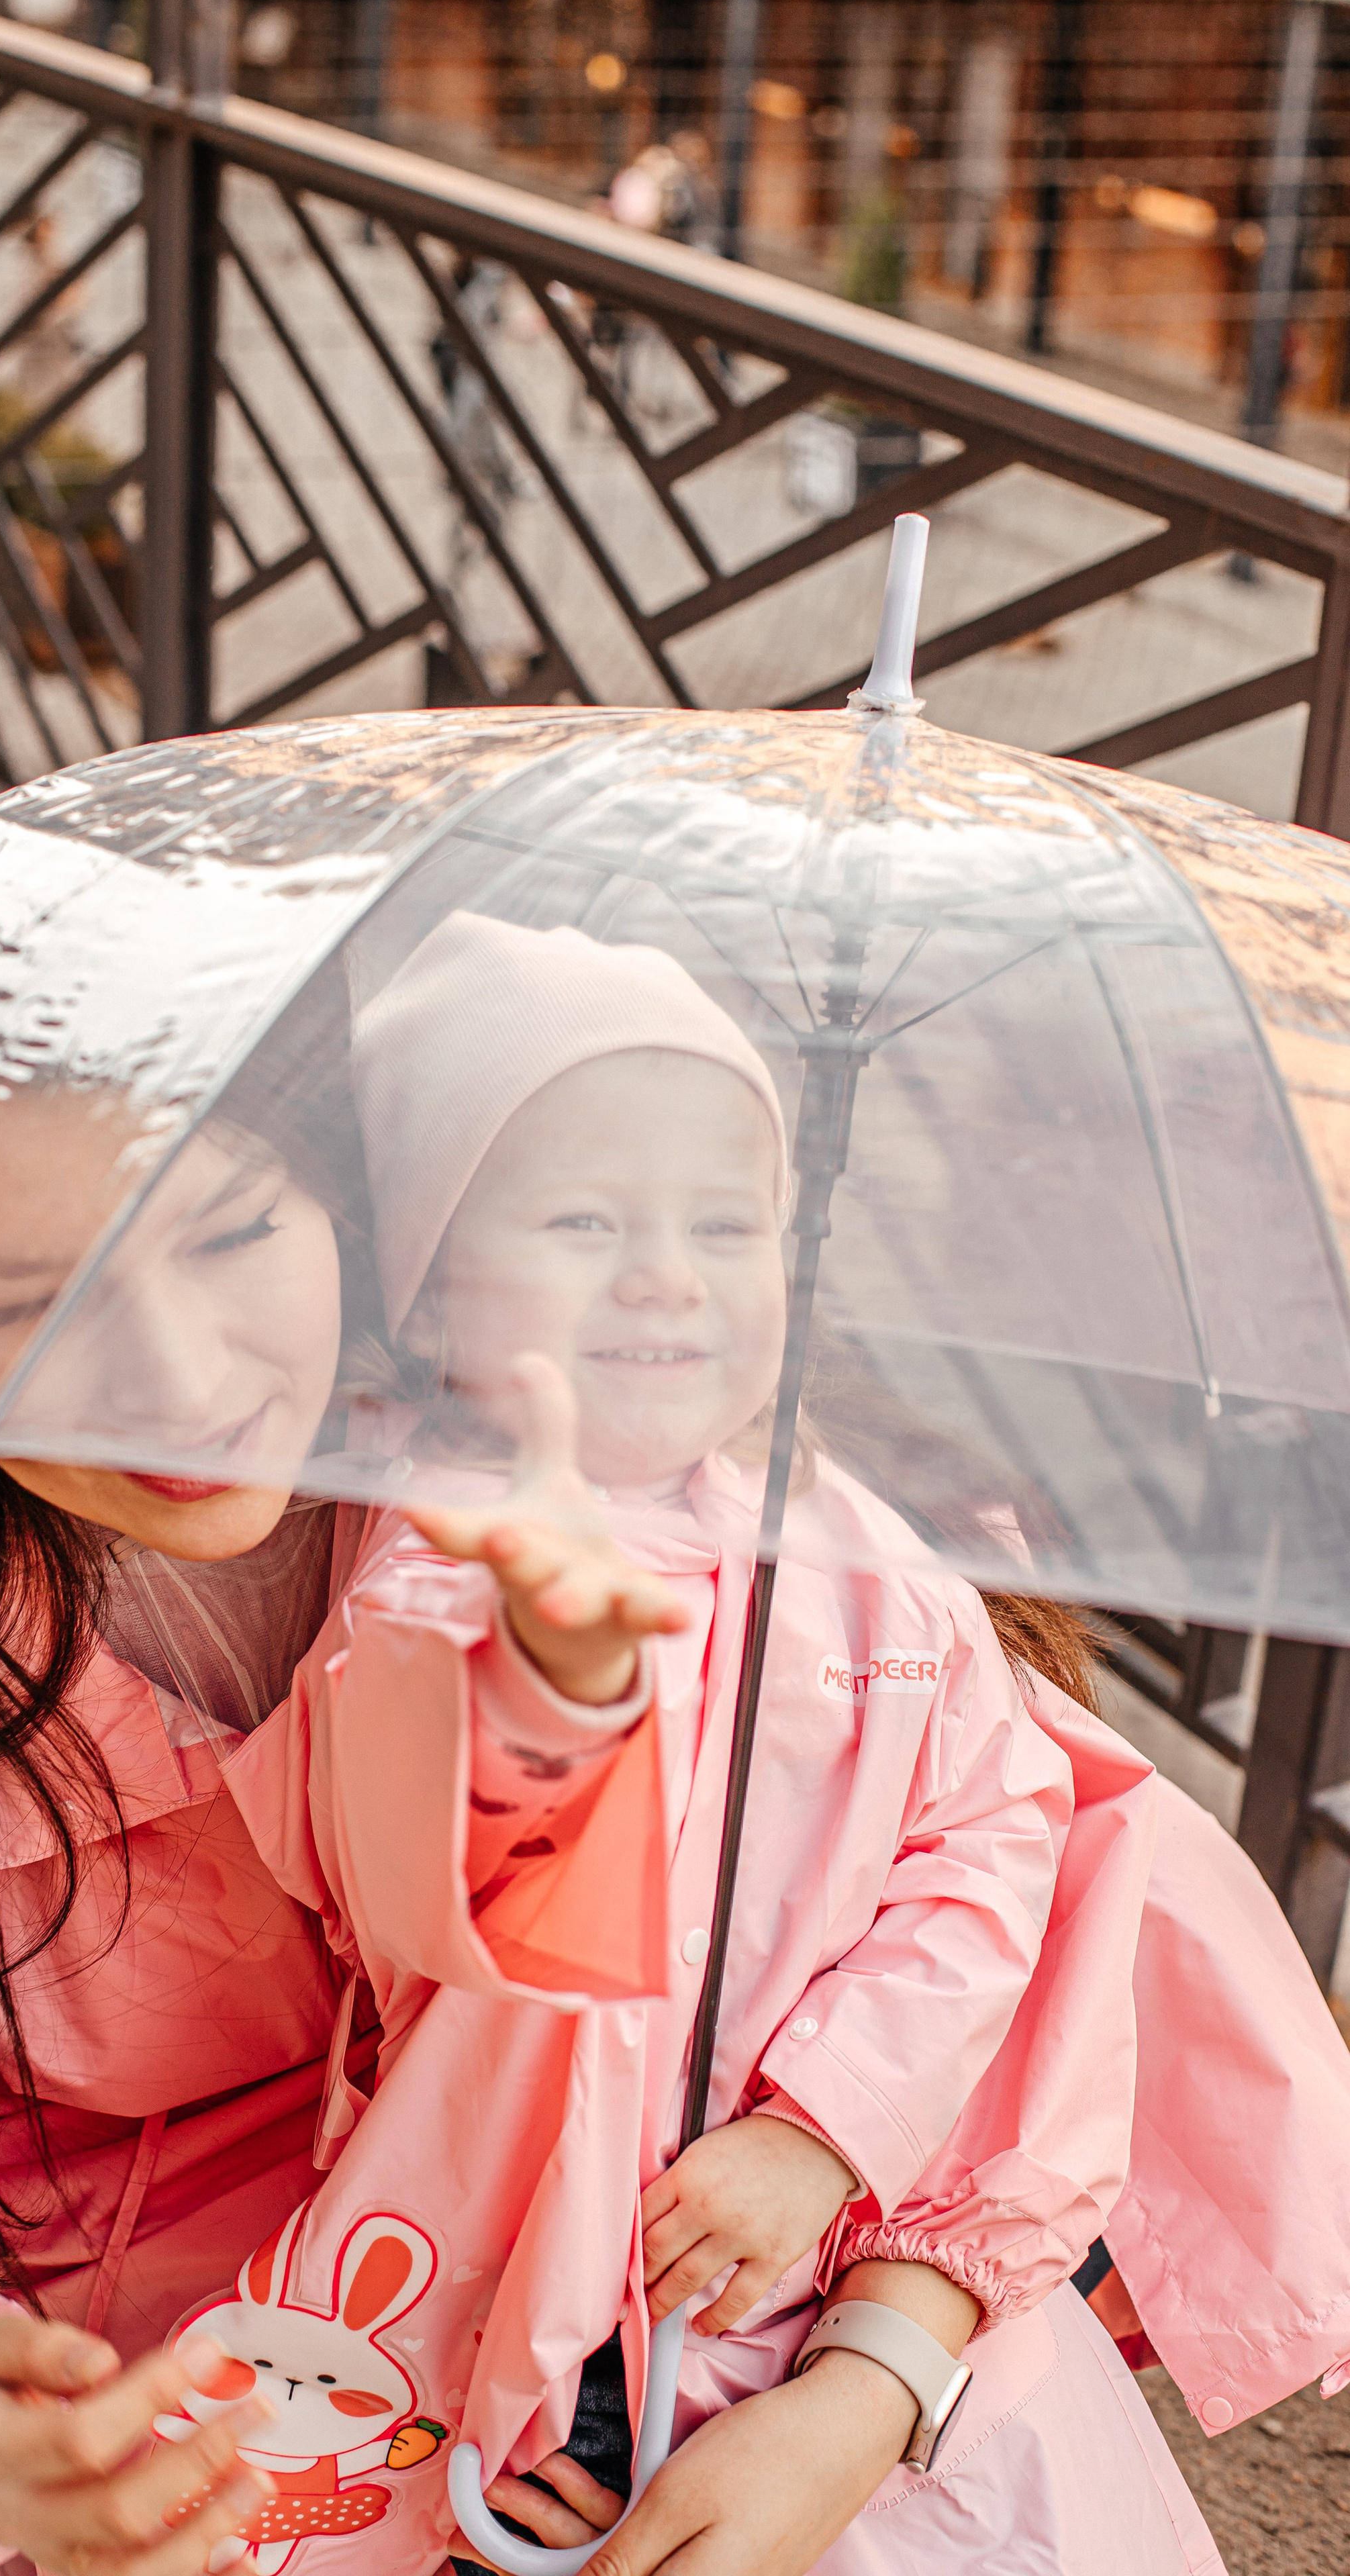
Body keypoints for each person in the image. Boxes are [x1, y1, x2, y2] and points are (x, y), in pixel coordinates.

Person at [152, 912, 1217, 2576]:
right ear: (432, 1282)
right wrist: (555, 1692)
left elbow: (989, 1841)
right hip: (507, 2263)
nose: (665, 1273)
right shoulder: (440, 1557)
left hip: (807, 2249)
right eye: (583, 1220)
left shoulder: (866, 1562)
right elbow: (407, 1870)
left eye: (726, 1223)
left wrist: (824, 2124)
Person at [0, 930, 683, 2576]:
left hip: (625, 2336)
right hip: (139, 2414)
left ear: (343, 1186)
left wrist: (876, 2371)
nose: (179, 1387)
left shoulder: (586, 1461)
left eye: (236, 1230)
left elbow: (971, 1863)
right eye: (29, 1303)